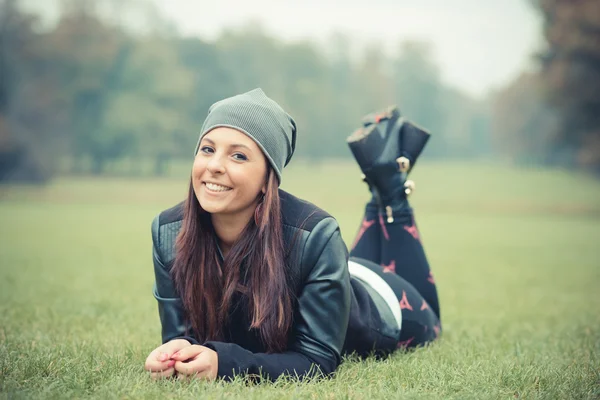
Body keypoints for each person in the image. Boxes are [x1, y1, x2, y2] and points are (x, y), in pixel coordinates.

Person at [144, 88, 441, 382]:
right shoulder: (169, 232)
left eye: (238, 155)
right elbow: (182, 337)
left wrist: (226, 365)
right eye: (207, 149)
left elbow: (317, 360)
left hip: (383, 302)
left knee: (434, 319)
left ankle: (389, 187)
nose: (214, 166)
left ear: (267, 178)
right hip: (338, 271)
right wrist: (174, 353)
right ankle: (382, 183)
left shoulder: (317, 235)